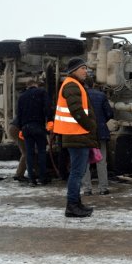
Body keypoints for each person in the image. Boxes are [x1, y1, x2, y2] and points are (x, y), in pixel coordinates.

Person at [53, 58, 99, 218]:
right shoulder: (72, 85)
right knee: (77, 173)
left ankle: (76, 203)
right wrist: (90, 126)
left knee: (77, 172)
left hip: (76, 134)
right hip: (77, 134)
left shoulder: (73, 84)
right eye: (83, 68)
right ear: (74, 70)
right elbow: (76, 110)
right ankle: (72, 206)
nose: (86, 71)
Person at [82, 75, 114, 196]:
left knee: (84, 161)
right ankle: (103, 188)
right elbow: (110, 113)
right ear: (93, 84)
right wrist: (101, 122)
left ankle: (87, 189)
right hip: (100, 131)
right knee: (101, 160)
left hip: (85, 132)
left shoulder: (80, 96)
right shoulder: (101, 95)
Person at [17, 80, 52, 186]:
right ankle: (42, 178)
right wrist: (50, 121)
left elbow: (19, 114)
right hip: (38, 126)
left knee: (29, 153)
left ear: (27, 86)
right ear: (36, 85)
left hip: (26, 128)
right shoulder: (41, 92)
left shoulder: (22, 97)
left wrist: (20, 129)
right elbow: (47, 107)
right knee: (41, 152)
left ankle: (31, 179)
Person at [7, 116, 28, 182]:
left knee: (26, 151)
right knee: (26, 152)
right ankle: (19, 174)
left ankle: (22, 173)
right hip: (16, 129)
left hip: (12, 127)